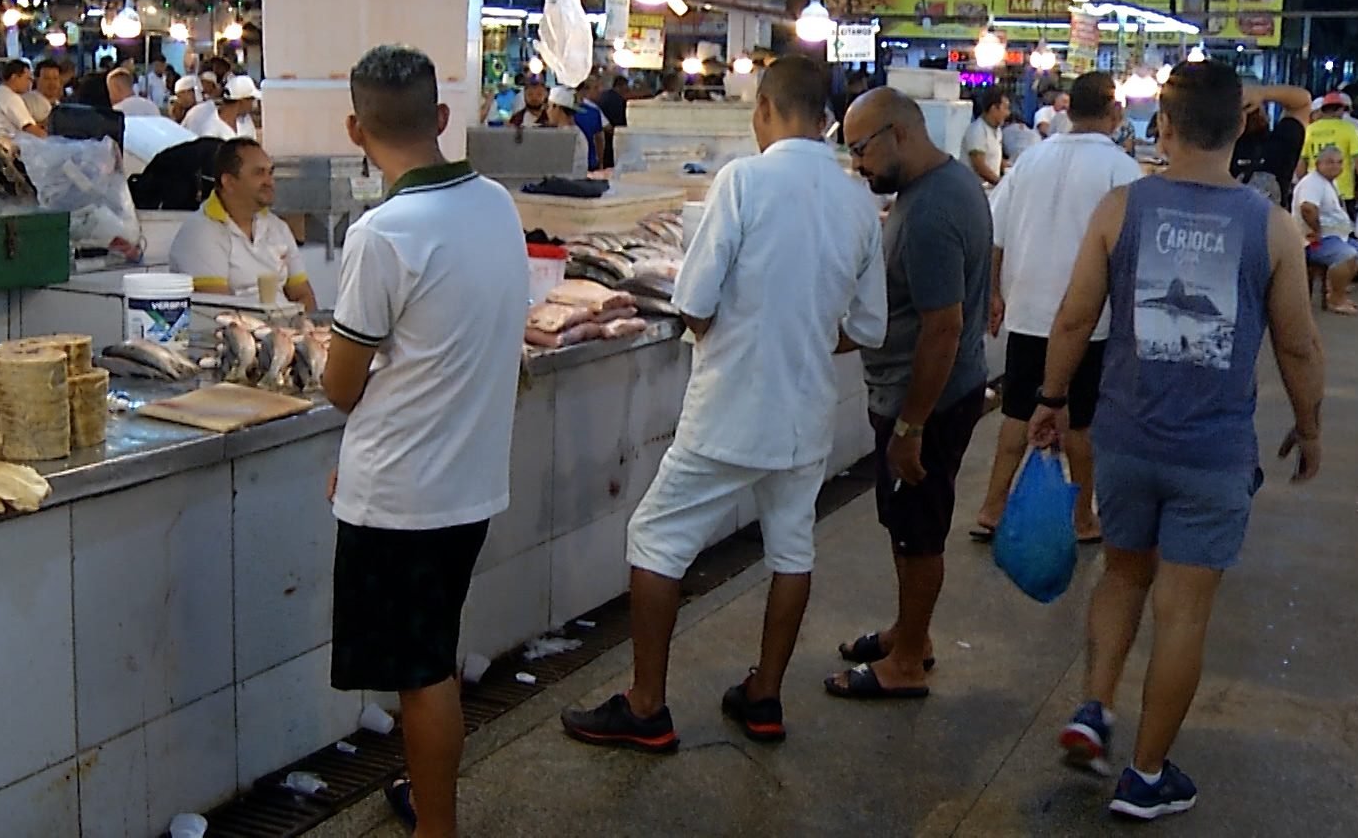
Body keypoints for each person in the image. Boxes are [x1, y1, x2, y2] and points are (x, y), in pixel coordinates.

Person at [560, 56, 887, 751]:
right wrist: (798, 337)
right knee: (791, 549)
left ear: (765, 108)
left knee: (656, 539)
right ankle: (764, 697)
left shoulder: (744, 180)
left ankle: (646, 705)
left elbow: (694, 301)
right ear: (825, 116)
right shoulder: (858, 199)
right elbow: (867, 329)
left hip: (731, 407)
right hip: (806, 415)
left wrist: (737, 334)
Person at [1034, 58, 1323, 822]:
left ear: (1160, 126)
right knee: (1185, 611)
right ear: (1242, 127)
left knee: (1124, 575)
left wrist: (1051, 399)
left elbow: (1072, 318)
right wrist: (1310, 424)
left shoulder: (1120, 207)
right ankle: (1146, 775)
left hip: (1126, 439)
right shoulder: (1272, 225)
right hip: (1214, 453)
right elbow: (1297, 345)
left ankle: (1094, 707)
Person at [322, 45, 526, 838]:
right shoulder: (496, 206)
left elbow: (341, 386)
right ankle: (426, 794)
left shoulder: (385, 233)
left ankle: (436, 828)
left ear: (354, 127)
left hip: (403, 495)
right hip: (469, 484)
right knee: (431, 654)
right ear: (442, 119)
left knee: (422, 674)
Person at [831, 87, 992, 700]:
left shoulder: (929, 213)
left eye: (861, 150)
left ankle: (907, 663)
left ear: (899, 133)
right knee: (904, 522)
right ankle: (909, 634)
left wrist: (910, 426)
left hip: (926, 400)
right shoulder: (939, 187)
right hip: (920, 393)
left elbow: (943, 329)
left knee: (918, 529)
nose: (857, 165)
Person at [973, 72, 1140, 546]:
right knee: (1081, 421)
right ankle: (1083, 518)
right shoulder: (1121, 170)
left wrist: (994, 293)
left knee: (1018, 411)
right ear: (1115, 114)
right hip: (1089, 318)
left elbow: (995, 233)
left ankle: (992, 507)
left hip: (1028, 306)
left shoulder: (1031, 159)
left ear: (1068, 111)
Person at [166, 137, 314, 311]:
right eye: (259, 173)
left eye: (270, 172)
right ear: (228, 182)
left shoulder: (278, 227)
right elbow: (220, 313)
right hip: (238, 334)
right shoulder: (200, 233)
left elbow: (304, 295)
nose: (270, 181)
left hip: (287, 331)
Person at [1294, 145, 1358, 315]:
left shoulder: (1329, 182)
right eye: (1330, 162)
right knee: (1347, 254)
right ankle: (1335, 300)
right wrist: (1317, 230)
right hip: (1313, 240)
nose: (1335, 166)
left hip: (1336, 236)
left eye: (1339, 162)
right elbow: (1307, 208)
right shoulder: (1312, 183)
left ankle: (1336, 291)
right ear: (1318, 163)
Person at [1230, 85, 1313, 207]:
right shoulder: (1280, 144)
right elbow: (1303, 102)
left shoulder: (1216, 149)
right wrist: (1262, 93)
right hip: (1273, 222)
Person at [1298, 92, 1358, 211]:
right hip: (1342, 190)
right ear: (1340, 109)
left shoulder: (1309, 129)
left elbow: (1302, 161)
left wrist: (1302, 184)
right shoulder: (1349, 129)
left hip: (1315, 190)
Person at [184, 75, 260, 141]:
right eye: (252, 100)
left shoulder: (246, 120)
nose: (253, 105)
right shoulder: (210, 129)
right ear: (242, 101)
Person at [963, 87, 1011, 185]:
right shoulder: (977, 131)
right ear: (994, 108)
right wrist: (1000, 184)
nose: (1008, 113)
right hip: (977, 189)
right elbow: (980, 166)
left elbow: (996, 157)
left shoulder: (997, 131)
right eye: (1005, 108)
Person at [596, 74, 630, 167]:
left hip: (601, 139)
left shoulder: (603, 96)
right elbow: (620, 124)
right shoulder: (618, 101)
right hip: (611, 141)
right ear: (620, 86)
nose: (627, 90)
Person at [27, 60, 64, 124]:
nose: (52, 83)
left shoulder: (58, 104)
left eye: (55, 78)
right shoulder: (27, 102)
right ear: (37, 80)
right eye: (47, 78)